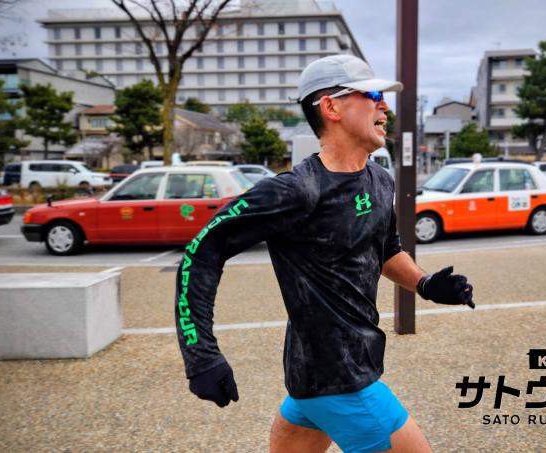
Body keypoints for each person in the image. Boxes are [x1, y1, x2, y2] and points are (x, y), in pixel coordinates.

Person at [175, 55, 475, 453]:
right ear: (331, 107)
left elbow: (385, 250)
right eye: (371, 95)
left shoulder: (379, 180)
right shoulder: (295, 191)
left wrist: (426, 283)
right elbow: (202, 252)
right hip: (344, 383)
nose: (384, 106)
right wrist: (201, 355)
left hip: (312, 383)